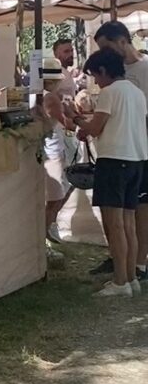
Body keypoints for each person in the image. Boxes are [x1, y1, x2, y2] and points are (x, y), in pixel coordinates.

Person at [67, 48, 147, 297]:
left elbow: (95, 127)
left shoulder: (110, 93)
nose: (96, 81)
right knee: (128, 223)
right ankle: (131, 277)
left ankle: (120, 281)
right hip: (137, 160)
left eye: (95, 76)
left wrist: (76, 119)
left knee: (115, 224)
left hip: (114, 160)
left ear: (103, 71)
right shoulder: (137, 93)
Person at [91, 21, 148, 282]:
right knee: (125, 219)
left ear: (122, 41)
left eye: (106, 47)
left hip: (124, 156)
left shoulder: (116, 87)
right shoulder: (128, 86)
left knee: (126, 218)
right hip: (134, 154)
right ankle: (127, 270)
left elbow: (98, 125)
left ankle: (129, 273)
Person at [35, 57, 76, 247]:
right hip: (52, 149)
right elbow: (65, 122)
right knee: (56, 196)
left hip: (46, 148)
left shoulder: (38, 94)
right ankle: (47, 233)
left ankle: (46, 233)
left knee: (54, 195)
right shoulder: (50, 97)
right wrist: (76, 118)